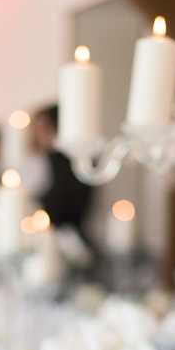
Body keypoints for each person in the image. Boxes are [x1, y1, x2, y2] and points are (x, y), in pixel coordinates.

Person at [29, 104, 100, 277]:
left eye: (42, 128)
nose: (37, 135)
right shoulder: (47, 159)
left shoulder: (72, 161)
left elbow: (63, 204)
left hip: (68, 242)